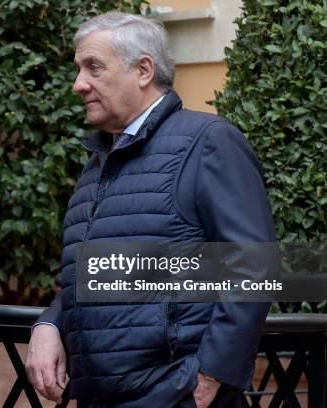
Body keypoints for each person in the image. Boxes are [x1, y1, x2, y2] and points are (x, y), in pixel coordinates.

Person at [25, 12, 275, 408]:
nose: (78, 84)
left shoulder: (208, 142)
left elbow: (253, 267)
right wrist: (49, 324)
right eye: (78, 69)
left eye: (93, 67)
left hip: (177, 396)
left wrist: (210, 376)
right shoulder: (99, 161)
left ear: (143, 70)